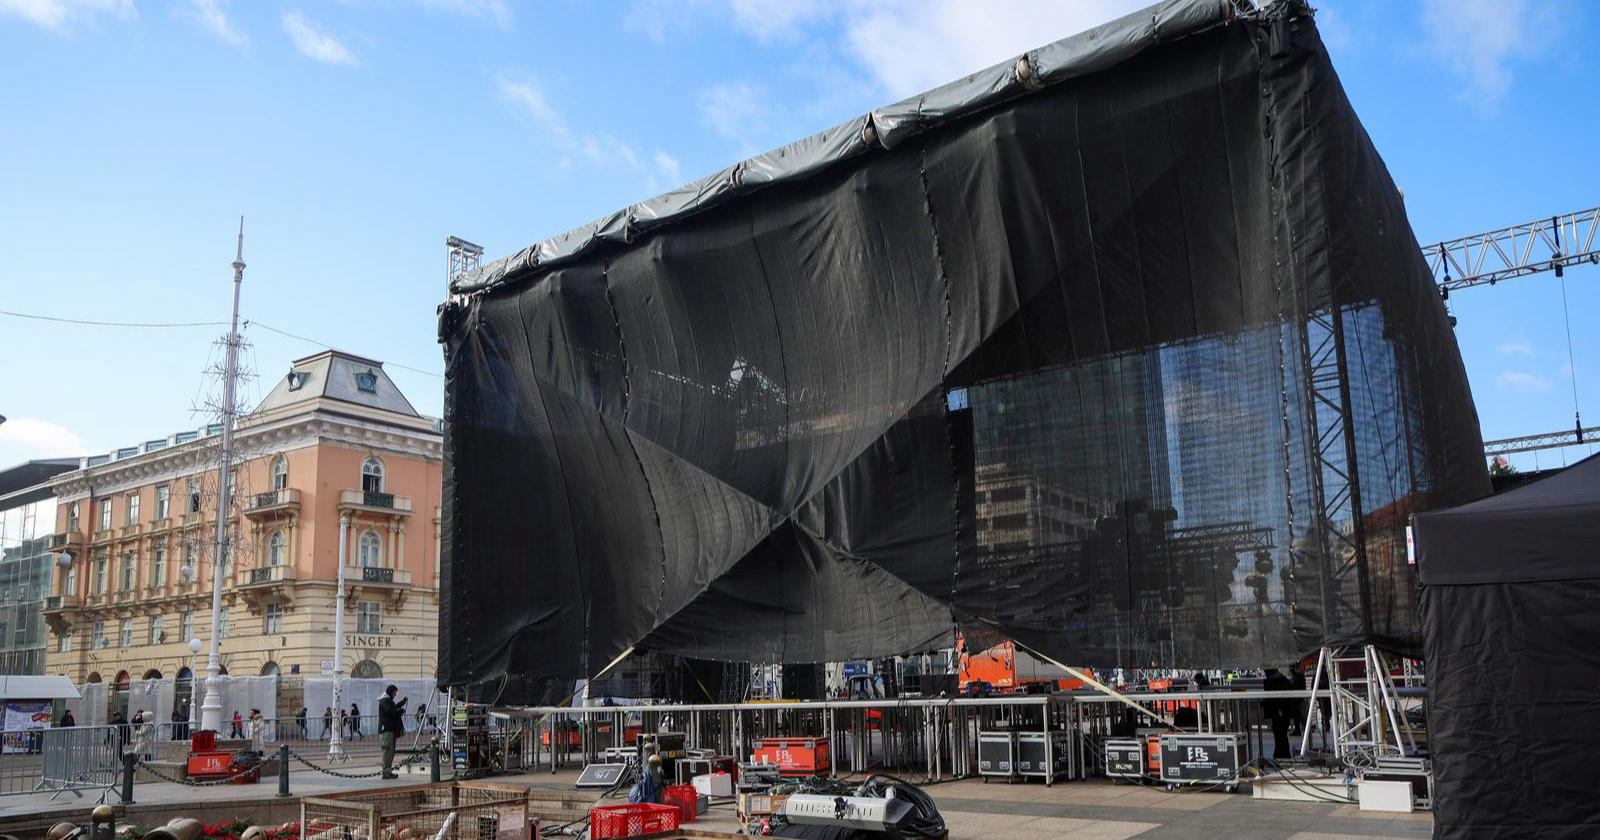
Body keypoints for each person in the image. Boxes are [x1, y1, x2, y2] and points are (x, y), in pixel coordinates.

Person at [1262, 667, 1294, 759]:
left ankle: (1280, 754)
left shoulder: (1272, 682)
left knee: (1279, 734)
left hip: (1278, 712)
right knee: (1282, 734)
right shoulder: (1283, 680)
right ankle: (1283, 754)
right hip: (1284, 712)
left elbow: (1272, 699)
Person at [377, 685, 407, 779]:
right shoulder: (384, 701)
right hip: (386, 730)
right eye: (394, 693)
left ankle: (388, 771)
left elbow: (393, 708)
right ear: (390, 692)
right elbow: (390, 711)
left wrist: (402, 703)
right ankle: (386, 772)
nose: (395, 694)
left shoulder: (388, 701)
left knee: (391, 752)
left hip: (390, 730)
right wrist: (400, 711)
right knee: (388, 751)